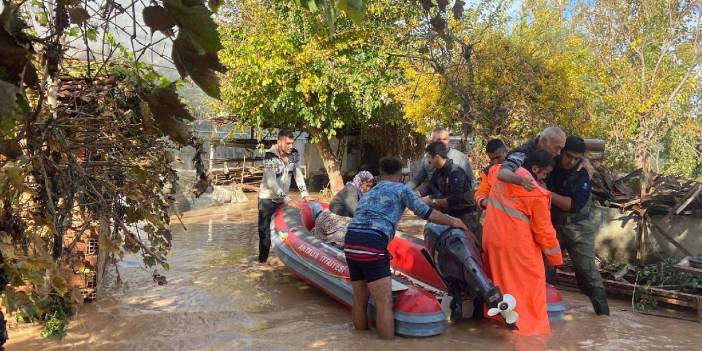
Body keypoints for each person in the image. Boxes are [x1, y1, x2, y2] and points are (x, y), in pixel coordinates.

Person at [344, 156, 469, 339]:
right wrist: (454, 221)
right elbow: (427, 213)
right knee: (384, 302)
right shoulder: (402, 190)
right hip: (372, 243)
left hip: (351, 240)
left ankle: (359, 343)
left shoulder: (370, 191)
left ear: (381, 174)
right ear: (401, 175)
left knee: (360, 299)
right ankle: (386, 346)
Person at [482, 150, 563, 335]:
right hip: (519, 250)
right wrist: (556, 258)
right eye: (544, 173)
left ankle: (496, 325)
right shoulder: (535, 192)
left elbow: (487, 176)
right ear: (535, 169)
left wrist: (480, 200)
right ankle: (529, 332)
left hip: (492, 242)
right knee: (529, 292)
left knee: (498, 286)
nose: (545, 178)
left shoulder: (499, 173)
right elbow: (544, 232)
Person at [546, 136, 609, 315]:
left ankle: (603, 317)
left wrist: (545, 193)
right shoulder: (550, 163)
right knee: (545, 271)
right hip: (552, 226)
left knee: (589, 275)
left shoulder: (582, 173)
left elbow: (572, 205)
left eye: (576, 158)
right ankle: (545, 313)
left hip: (579, 228)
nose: (571, 161)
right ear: (561, 152)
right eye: (568, 156)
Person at [258, 129, 311, 263]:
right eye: (287, 143)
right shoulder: (270, 156)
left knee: (283, 229)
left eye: (292, 143)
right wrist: (287, 199)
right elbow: (271, 182)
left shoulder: (294, 154)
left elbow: (298, 175)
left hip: (283, 199)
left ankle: (284, 259)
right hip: (267, 198)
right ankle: (263, 261)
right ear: (279, 142)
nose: (291, 146)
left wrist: (305, 194)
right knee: (265, 233)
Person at [416, 142, 479, 236]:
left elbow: (455, 199)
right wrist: (418, 193)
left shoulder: (455, 172)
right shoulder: (438, 171)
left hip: (465, 217)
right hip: (450, 215)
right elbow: (430, 186)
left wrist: (432, 201)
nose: (428, 161)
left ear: (437, 157)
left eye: (429, 157)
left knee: (468, 246)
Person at [407, 127, 475, 189]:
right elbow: (416, 180)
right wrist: (402, 190)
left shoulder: (460, 158)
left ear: (448, 141)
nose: (442, 142)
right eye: (439, 139)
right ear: (432, 141)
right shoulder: (427, 159)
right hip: (431, 197)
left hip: (454, 198)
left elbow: (471, 182)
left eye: (444, 139)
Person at [473, 138, 508, 245]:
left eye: (498, 157)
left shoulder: (520, 165)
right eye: (492, 159)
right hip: (497, 222)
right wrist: (484, 202)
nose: (495, 162)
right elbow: (480, 192)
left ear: (506, 151)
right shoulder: (488, 172)